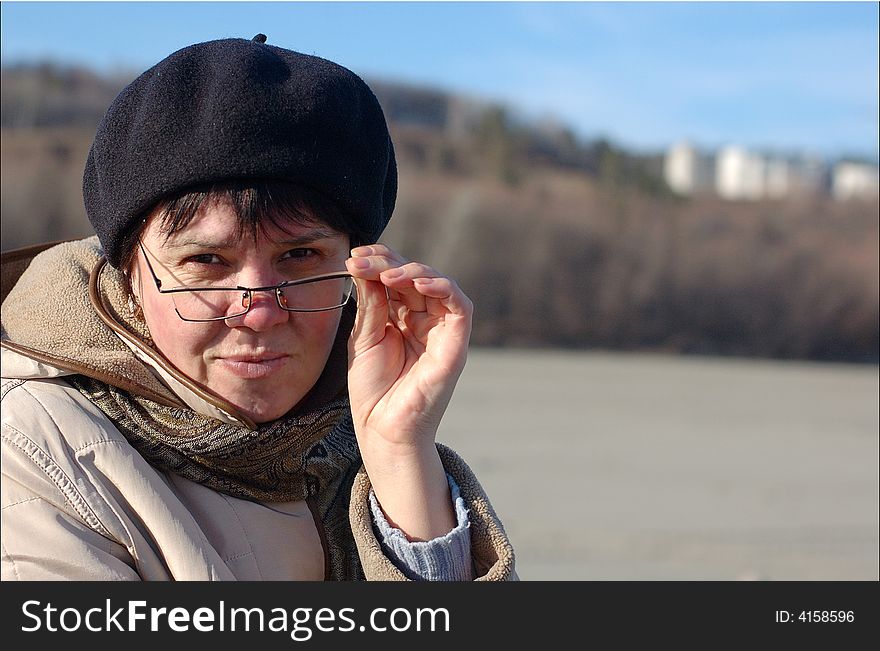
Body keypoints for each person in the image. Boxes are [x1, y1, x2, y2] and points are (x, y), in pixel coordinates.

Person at [0, 34, 515, 581]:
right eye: (206, 260)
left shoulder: (357, 429)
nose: (262, 312)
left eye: (300, 255)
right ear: (129, 274)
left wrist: (400, 454)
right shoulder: (33, 446)